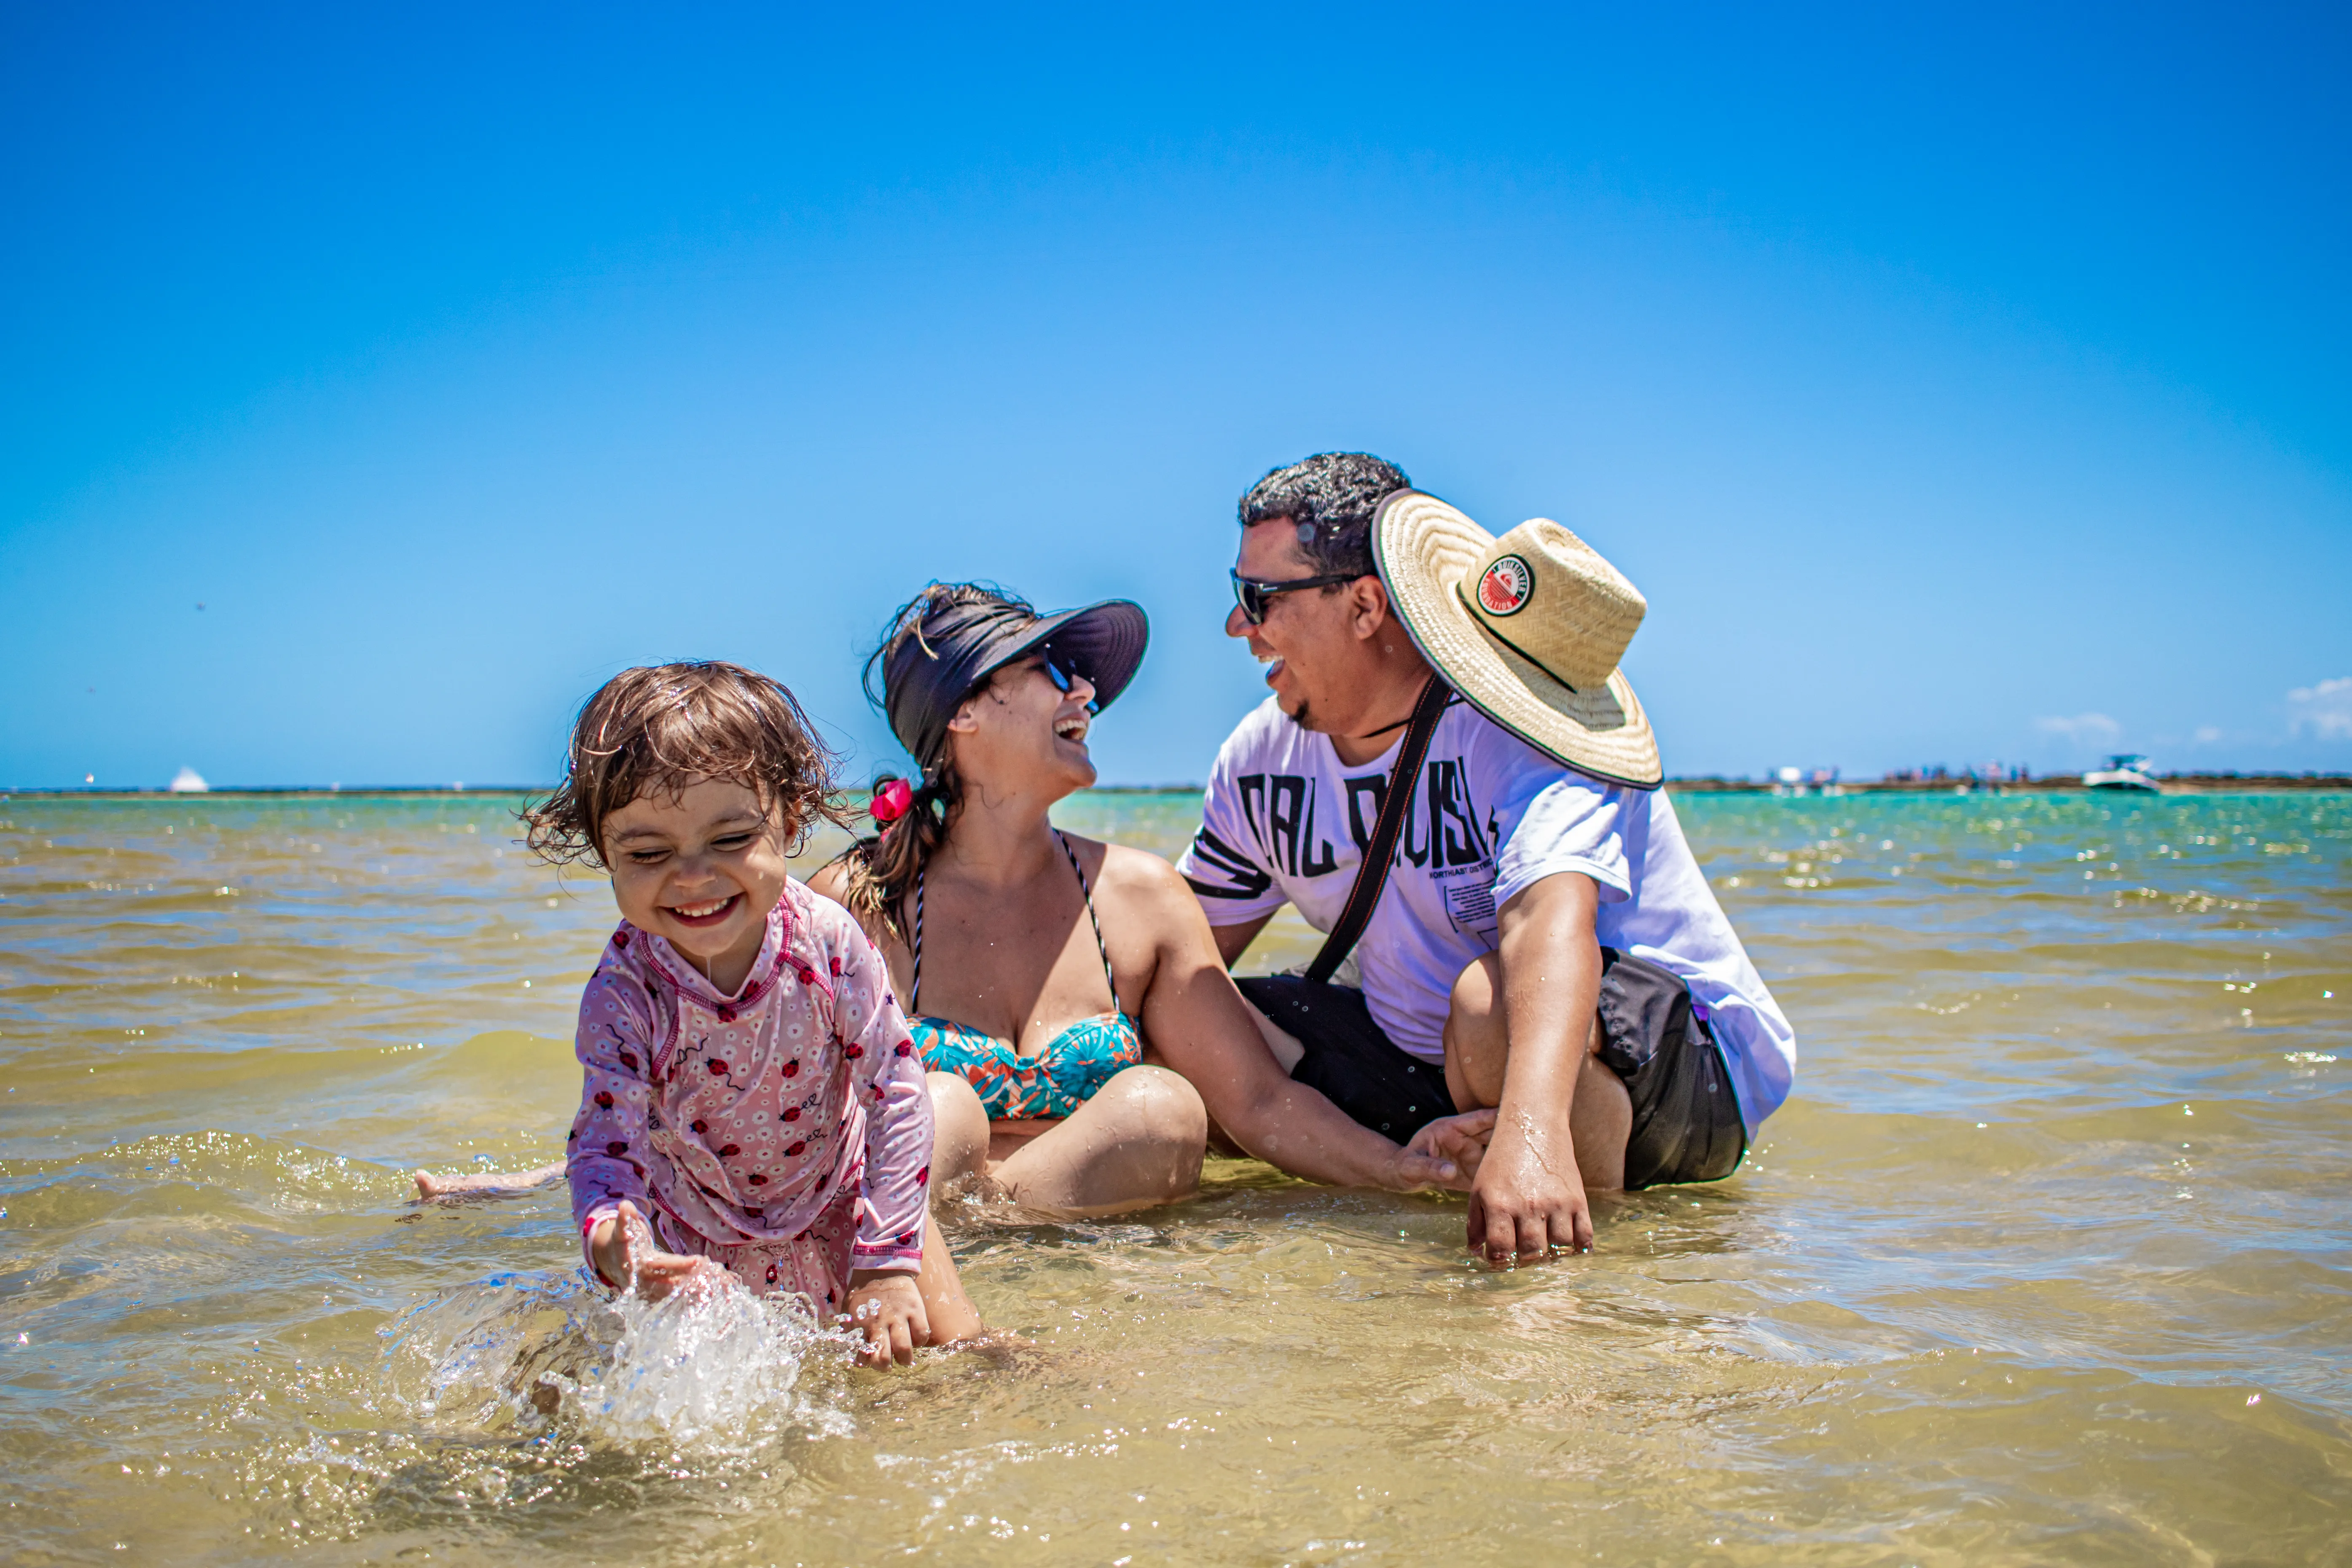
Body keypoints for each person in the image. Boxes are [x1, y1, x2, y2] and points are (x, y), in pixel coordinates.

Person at [1177, 453, 1797, 1268]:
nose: (1237, 626)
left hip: (1683, 1070)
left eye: (1257, 598)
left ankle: (1564, 1287)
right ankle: (1426, 1201)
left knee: (1486, 1004)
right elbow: (1179, 955)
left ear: (1365, 604)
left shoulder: (1524, 723)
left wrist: (1532, 1138)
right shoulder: (1260, 756)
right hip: (1432, 1059)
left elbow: (1549, 922)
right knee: (1187, 1030)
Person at [807, 582, 1493, 1214]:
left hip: (1075, 1256)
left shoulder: (1141, 899)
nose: (1085, 692)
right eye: (1051, 670)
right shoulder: (860, 905)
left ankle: (997, 1240)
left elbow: (1258, 1101)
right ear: (963, 713)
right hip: (920, 1249)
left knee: (1159, 1108)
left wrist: (1399, 1167)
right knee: (941, 1107)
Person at [522, 660, 983, 1367]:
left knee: (954, 1360)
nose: (694, 876)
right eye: (649, 853)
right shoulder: (626, 992)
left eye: (731, 840)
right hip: (697, 1228)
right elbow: (606, 1145)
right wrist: (617, 1238)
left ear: (789, 819)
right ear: (603, 850)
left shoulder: (826, 942)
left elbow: (896, 1094)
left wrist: (887, 1257)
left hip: (843, 1203)